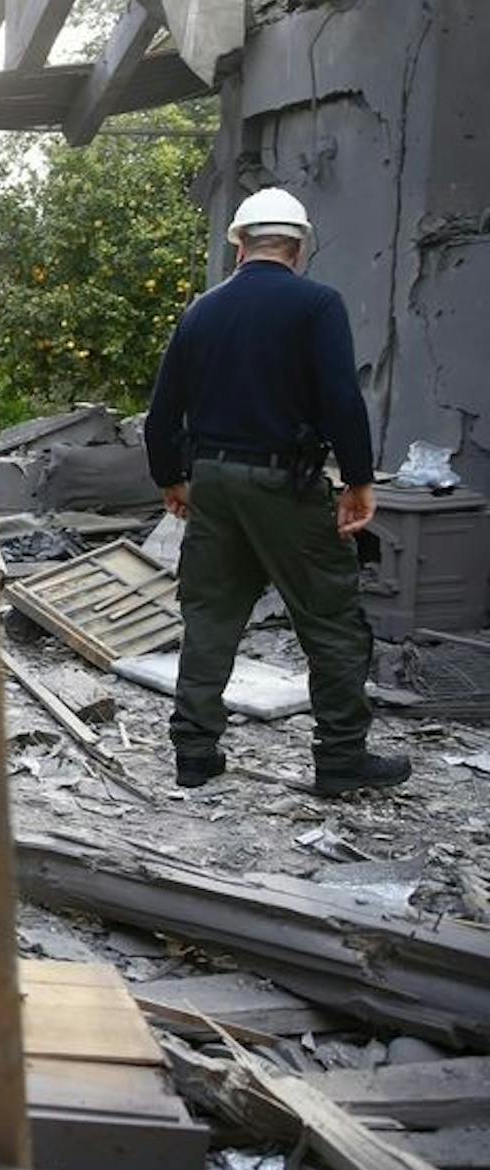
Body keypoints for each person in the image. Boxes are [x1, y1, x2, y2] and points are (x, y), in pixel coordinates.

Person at [144, 188, 410, 796]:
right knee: (331, 621)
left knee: (210, 614)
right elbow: (342, 399)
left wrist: (174, 479)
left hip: (212, 479)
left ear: (237, 243)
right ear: (298, 247)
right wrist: (359, 480)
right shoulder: (317, 305)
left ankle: (195, 753)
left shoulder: (201, 311)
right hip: (284, 483)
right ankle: (342, 759)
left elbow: (163, 416)